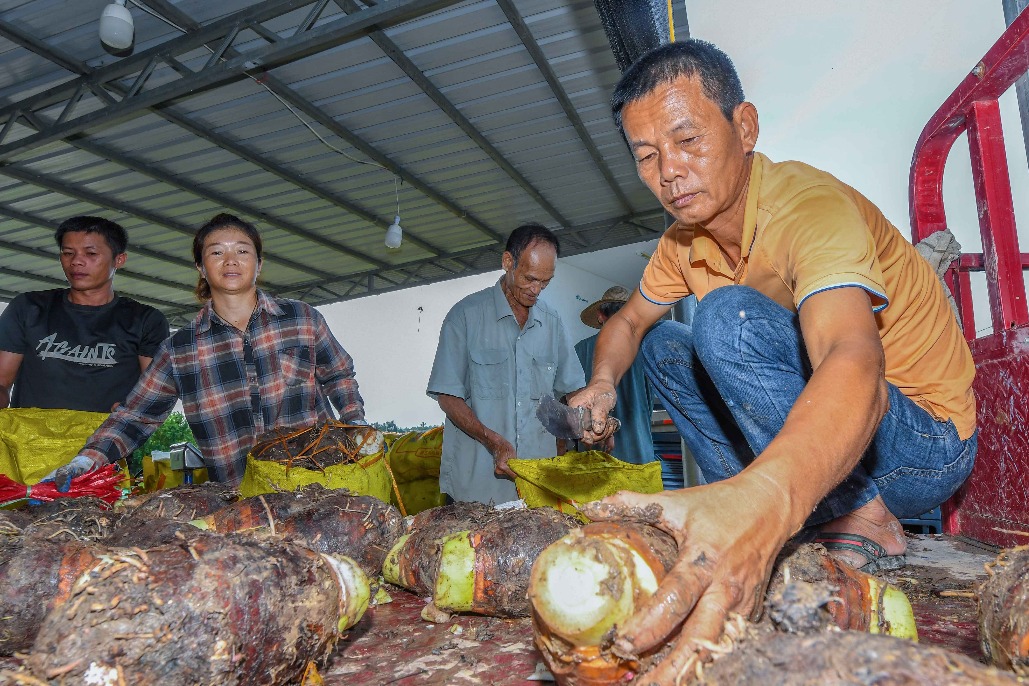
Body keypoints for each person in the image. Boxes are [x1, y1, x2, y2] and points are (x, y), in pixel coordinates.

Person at [569, 40, 977, 682]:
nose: (668, 172)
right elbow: (626, 322)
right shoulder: (681, 243)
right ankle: (780, 507)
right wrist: (598, 384)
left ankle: (856, 511)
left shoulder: (809, 208)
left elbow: (853, 360)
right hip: (824, 451)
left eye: (686, 140)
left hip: (920, 443)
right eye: (646, 157)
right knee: (666, 347)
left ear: (746, 127)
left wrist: (770, 497)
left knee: (724, 318)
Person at [46, 212, 373, 490]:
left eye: (242, 252)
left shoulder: (302, 319)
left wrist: (355, 423)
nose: (231, 261)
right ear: (201, 266)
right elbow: (135, 416)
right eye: (216, 253)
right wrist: (87, 459)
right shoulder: (180, 349)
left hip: (322, 483)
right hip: (245, 498)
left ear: (259, 264)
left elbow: (338, 373)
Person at [427, 223, 585, 504]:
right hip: (477, 489)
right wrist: (494, 441)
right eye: (530, 278)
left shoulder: (552, 322)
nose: (537, 290)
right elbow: (448, 396)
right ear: (508, 262)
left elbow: (571, 391)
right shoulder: (465, 317)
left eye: (545, 282)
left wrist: (589, 419)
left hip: (537, 486)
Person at [0, 216, 169, 413]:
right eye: (68, 253)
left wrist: (137, 412)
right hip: (30, 441)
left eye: (90, 253)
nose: (76, 262)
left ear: (119, 259)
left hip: (107, 441)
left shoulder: (145, 321)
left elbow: (157, 394)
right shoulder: (28, 308)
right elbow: (2, 382)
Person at [574, 285, 654, 464]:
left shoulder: (580, 350)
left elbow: (571, 403)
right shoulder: (645, 348)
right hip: (638, 449)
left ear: (600, 316)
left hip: (593, 451)